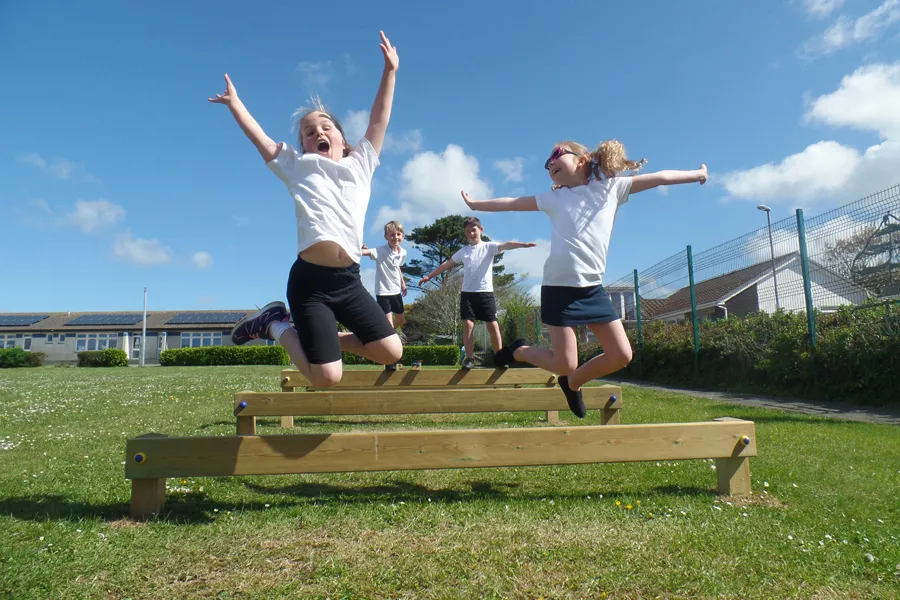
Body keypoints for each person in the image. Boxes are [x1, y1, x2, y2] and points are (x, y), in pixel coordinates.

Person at [208, 31, 403, 388]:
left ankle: (317, 342)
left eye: (326, 127)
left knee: (392, 351)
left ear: (343, 140)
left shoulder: (361, 164)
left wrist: (390, 71)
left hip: (349, 282)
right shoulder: (298, 166)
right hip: (310, 284)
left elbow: (378, 120)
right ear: (304, 146)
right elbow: (263, 141)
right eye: (309, 132)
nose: (318, 133)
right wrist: (236, 105)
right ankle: (275, 326)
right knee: (327, 377)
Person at [461, 140, 707, 415]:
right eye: (546, 163)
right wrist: (475, 204)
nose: (549, 163)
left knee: (621, 355)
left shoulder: (612, 188)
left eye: (555, 155)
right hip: (558, 289)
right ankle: (518, 350)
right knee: (565, 362)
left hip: (591, 289)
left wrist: (697, 174)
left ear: (582, 158)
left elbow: (660, 178)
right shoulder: (555, 198)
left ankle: (572, 384)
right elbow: (513, 203)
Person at [418, 217, 536, 369]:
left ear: (481, 230)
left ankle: (499, 357)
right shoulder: (464, 251)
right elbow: (447, 264)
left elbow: (506, 245)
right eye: (468, 231)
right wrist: (429, 276)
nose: (471, 233)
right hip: (468, 294)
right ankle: (469, 358)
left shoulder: (489, 247)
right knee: (467, 324)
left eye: (474, 230)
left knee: (493, 325)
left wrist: (522, 245)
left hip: (485, 293)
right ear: (465, 233)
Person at [362, 220, 408, 370]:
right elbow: (365, 253)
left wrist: (402, 283)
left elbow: (397, 268)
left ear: (402, 236)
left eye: (398, 234)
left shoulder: (403, 253)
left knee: (400, 319)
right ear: (386, 236)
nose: (395, 237)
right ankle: (390, 361)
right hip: (383, 292)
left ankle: (385, 333)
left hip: (396, 291)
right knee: (389, 325)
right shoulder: (380, 251)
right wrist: (361, 248)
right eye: (391, 235)